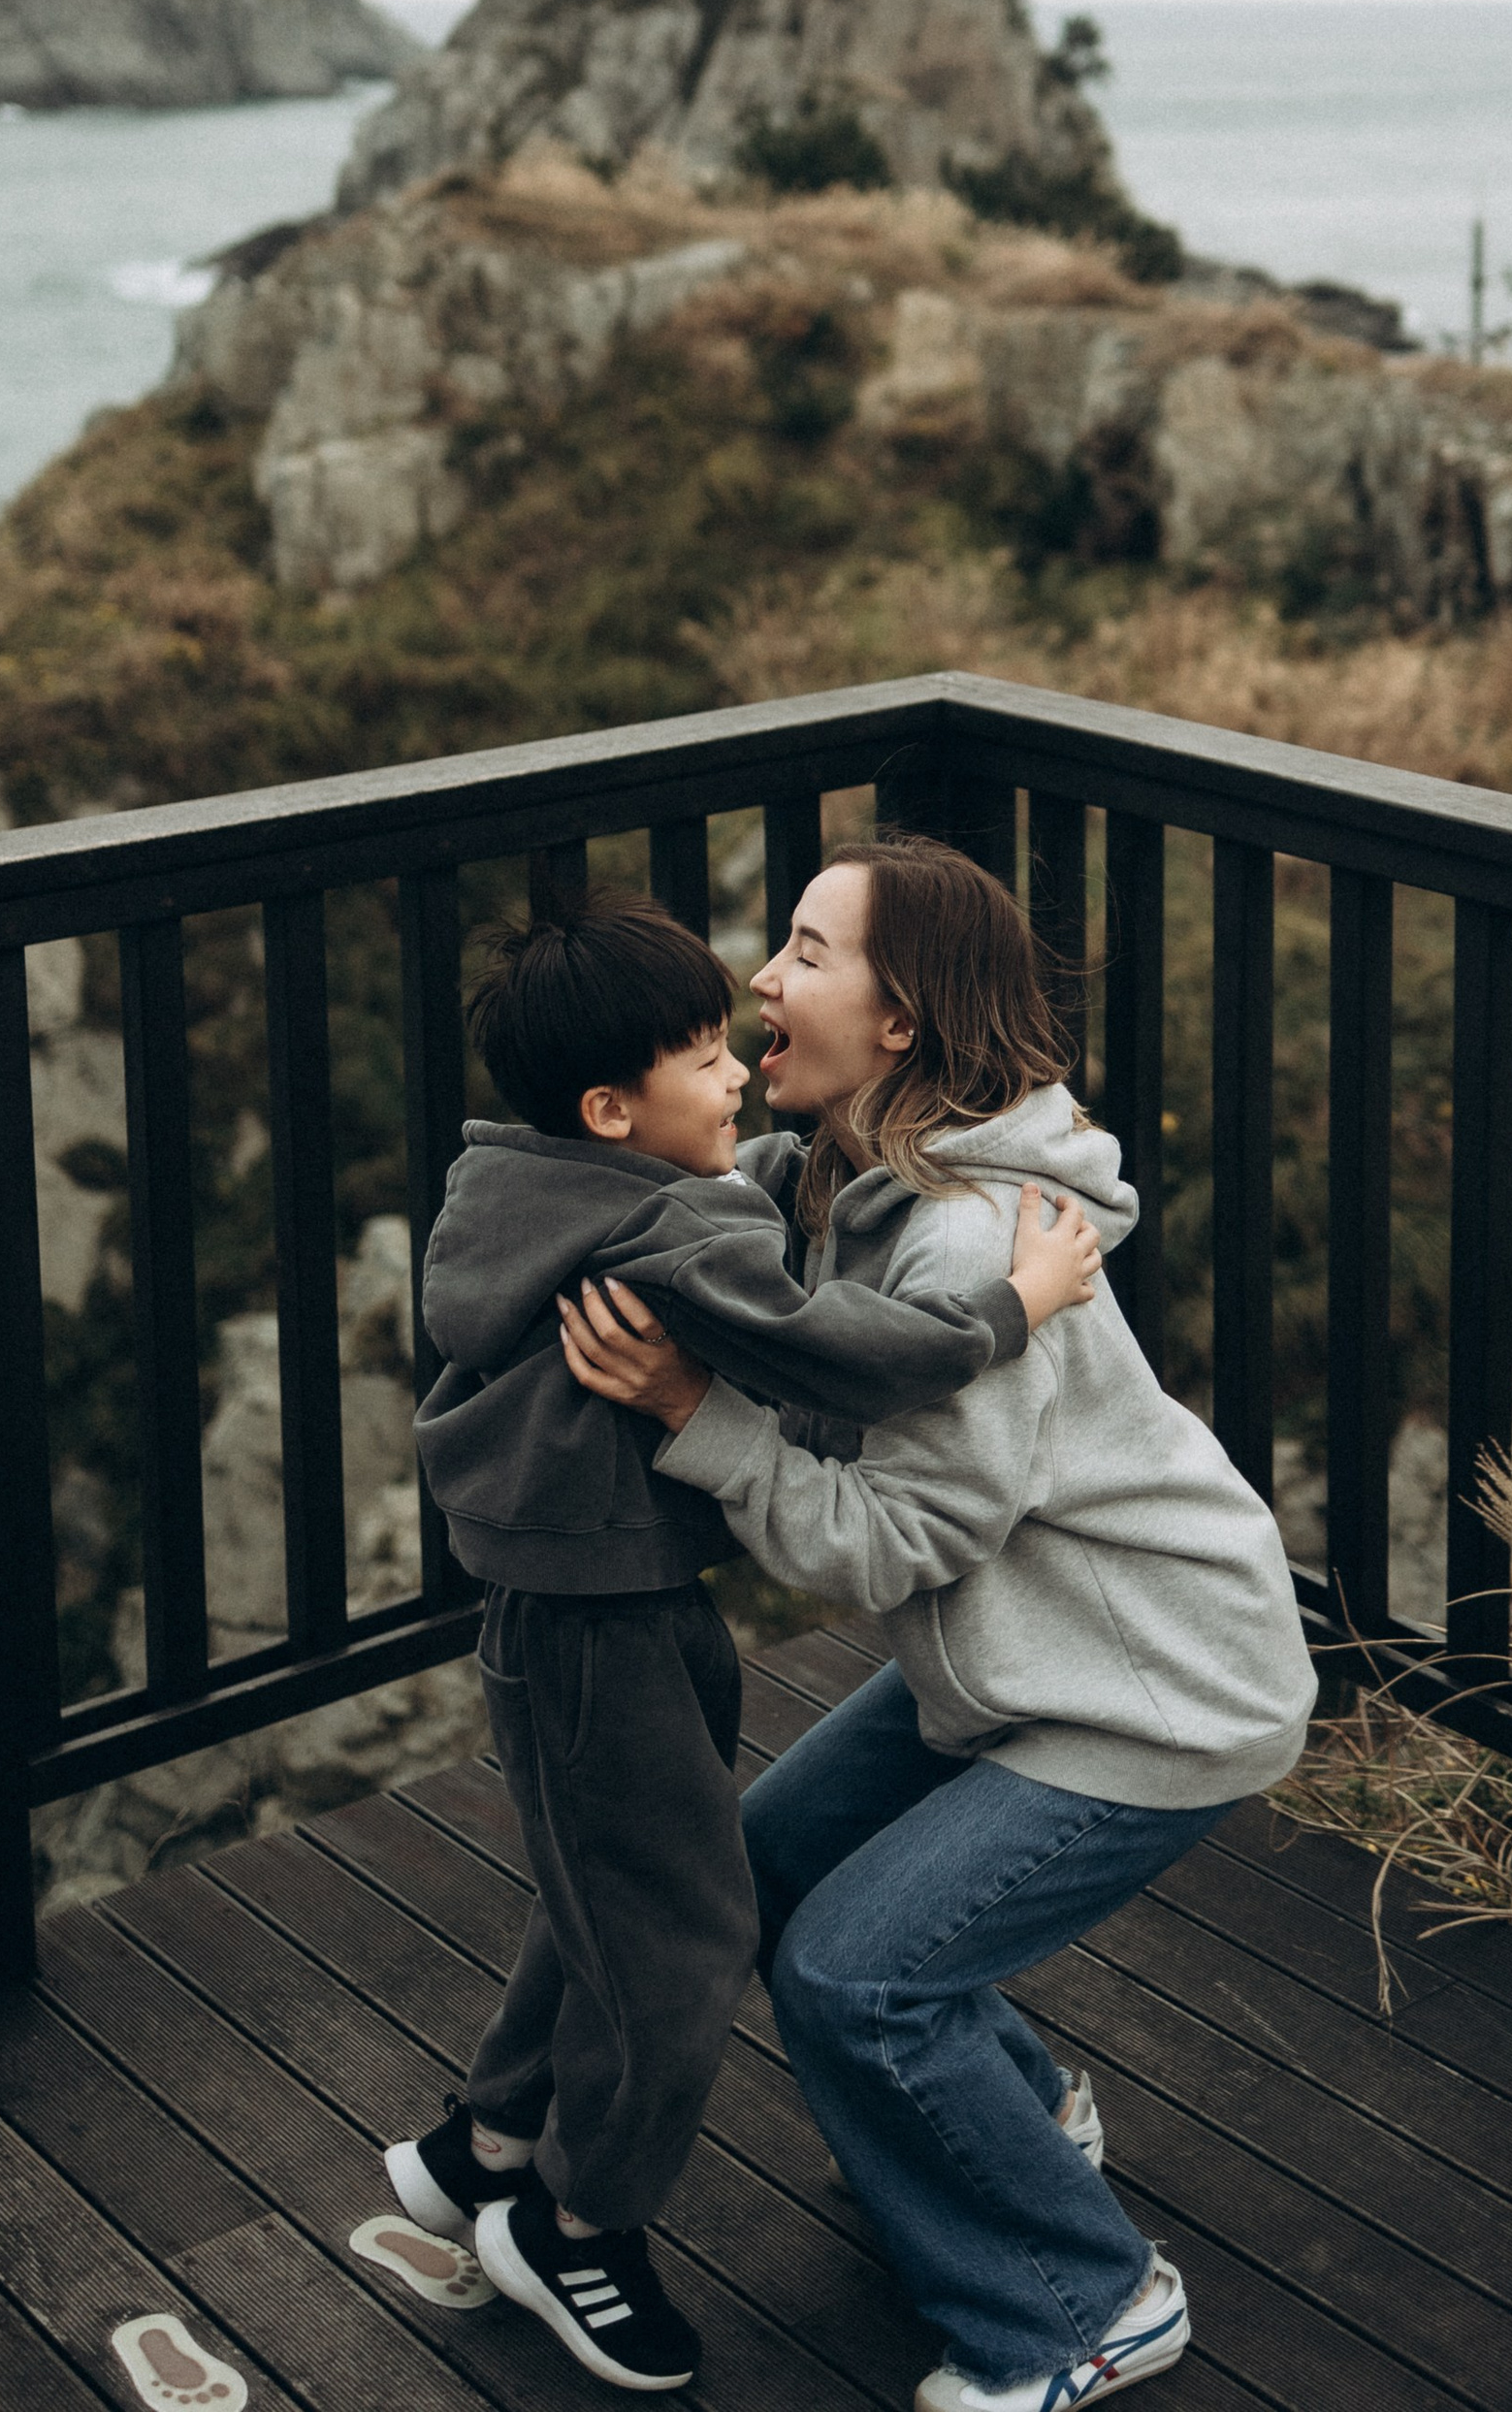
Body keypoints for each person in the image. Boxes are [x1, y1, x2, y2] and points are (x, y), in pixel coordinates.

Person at [561, 836, 1316, 2412]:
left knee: (855, 1978)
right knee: (757, 1867)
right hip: (1028, 1661)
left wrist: (694, 1412)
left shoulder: (971, 1238)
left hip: (1154, 1688)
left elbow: (897, 1540)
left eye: (807, 953)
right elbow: (733, 1239)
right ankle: (1014, 2124)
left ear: (900, 1020)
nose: (762, 982)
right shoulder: (844, 1174)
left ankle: (1083, 2302)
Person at [387, 893, 1104, 2396]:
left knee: (620, 1880)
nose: (733, 1075)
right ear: (612, 1108)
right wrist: (1012, 1309)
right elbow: (841, 1351)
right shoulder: (674, 1228)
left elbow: (724, 1189)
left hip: (565, 1612)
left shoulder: (521, 1182)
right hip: (614, 1625)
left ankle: (482, 2141)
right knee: (687, 1937)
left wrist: (795, 1156)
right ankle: (578, 2224)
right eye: (704, 1057)